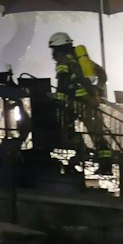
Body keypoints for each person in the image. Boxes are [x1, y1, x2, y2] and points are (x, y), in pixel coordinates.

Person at [48, 30, 114, 168]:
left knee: (66, 128)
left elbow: (63, 81)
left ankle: (81, 152)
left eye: (53, 49)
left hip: (74, 103)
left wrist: (58, 99)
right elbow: (102, 73)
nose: (52, 53)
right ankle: (106, 165)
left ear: (58, 47)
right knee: (97, 133)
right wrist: (98, 90)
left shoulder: (64, 59)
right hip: (90, 101)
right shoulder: (82, 59)